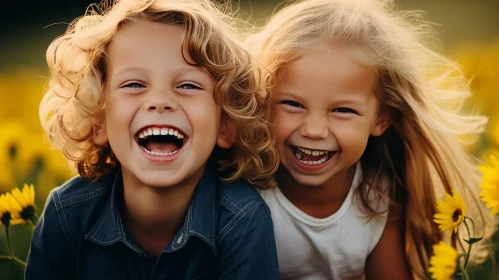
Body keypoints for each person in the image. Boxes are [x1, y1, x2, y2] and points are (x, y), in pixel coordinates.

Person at [26, 0, 280, 279]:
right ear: (99, 119)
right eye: (134, 84)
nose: (160, 101)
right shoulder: (66, 216)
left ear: (226, 125)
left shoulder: (243, 221)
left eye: (188, 85)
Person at [247, 0, 487, 278]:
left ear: (381, 119)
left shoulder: (380, 199)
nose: (314, 130)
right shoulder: (244, 189)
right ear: (263, 101)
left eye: (342, 110)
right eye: (293, 104)